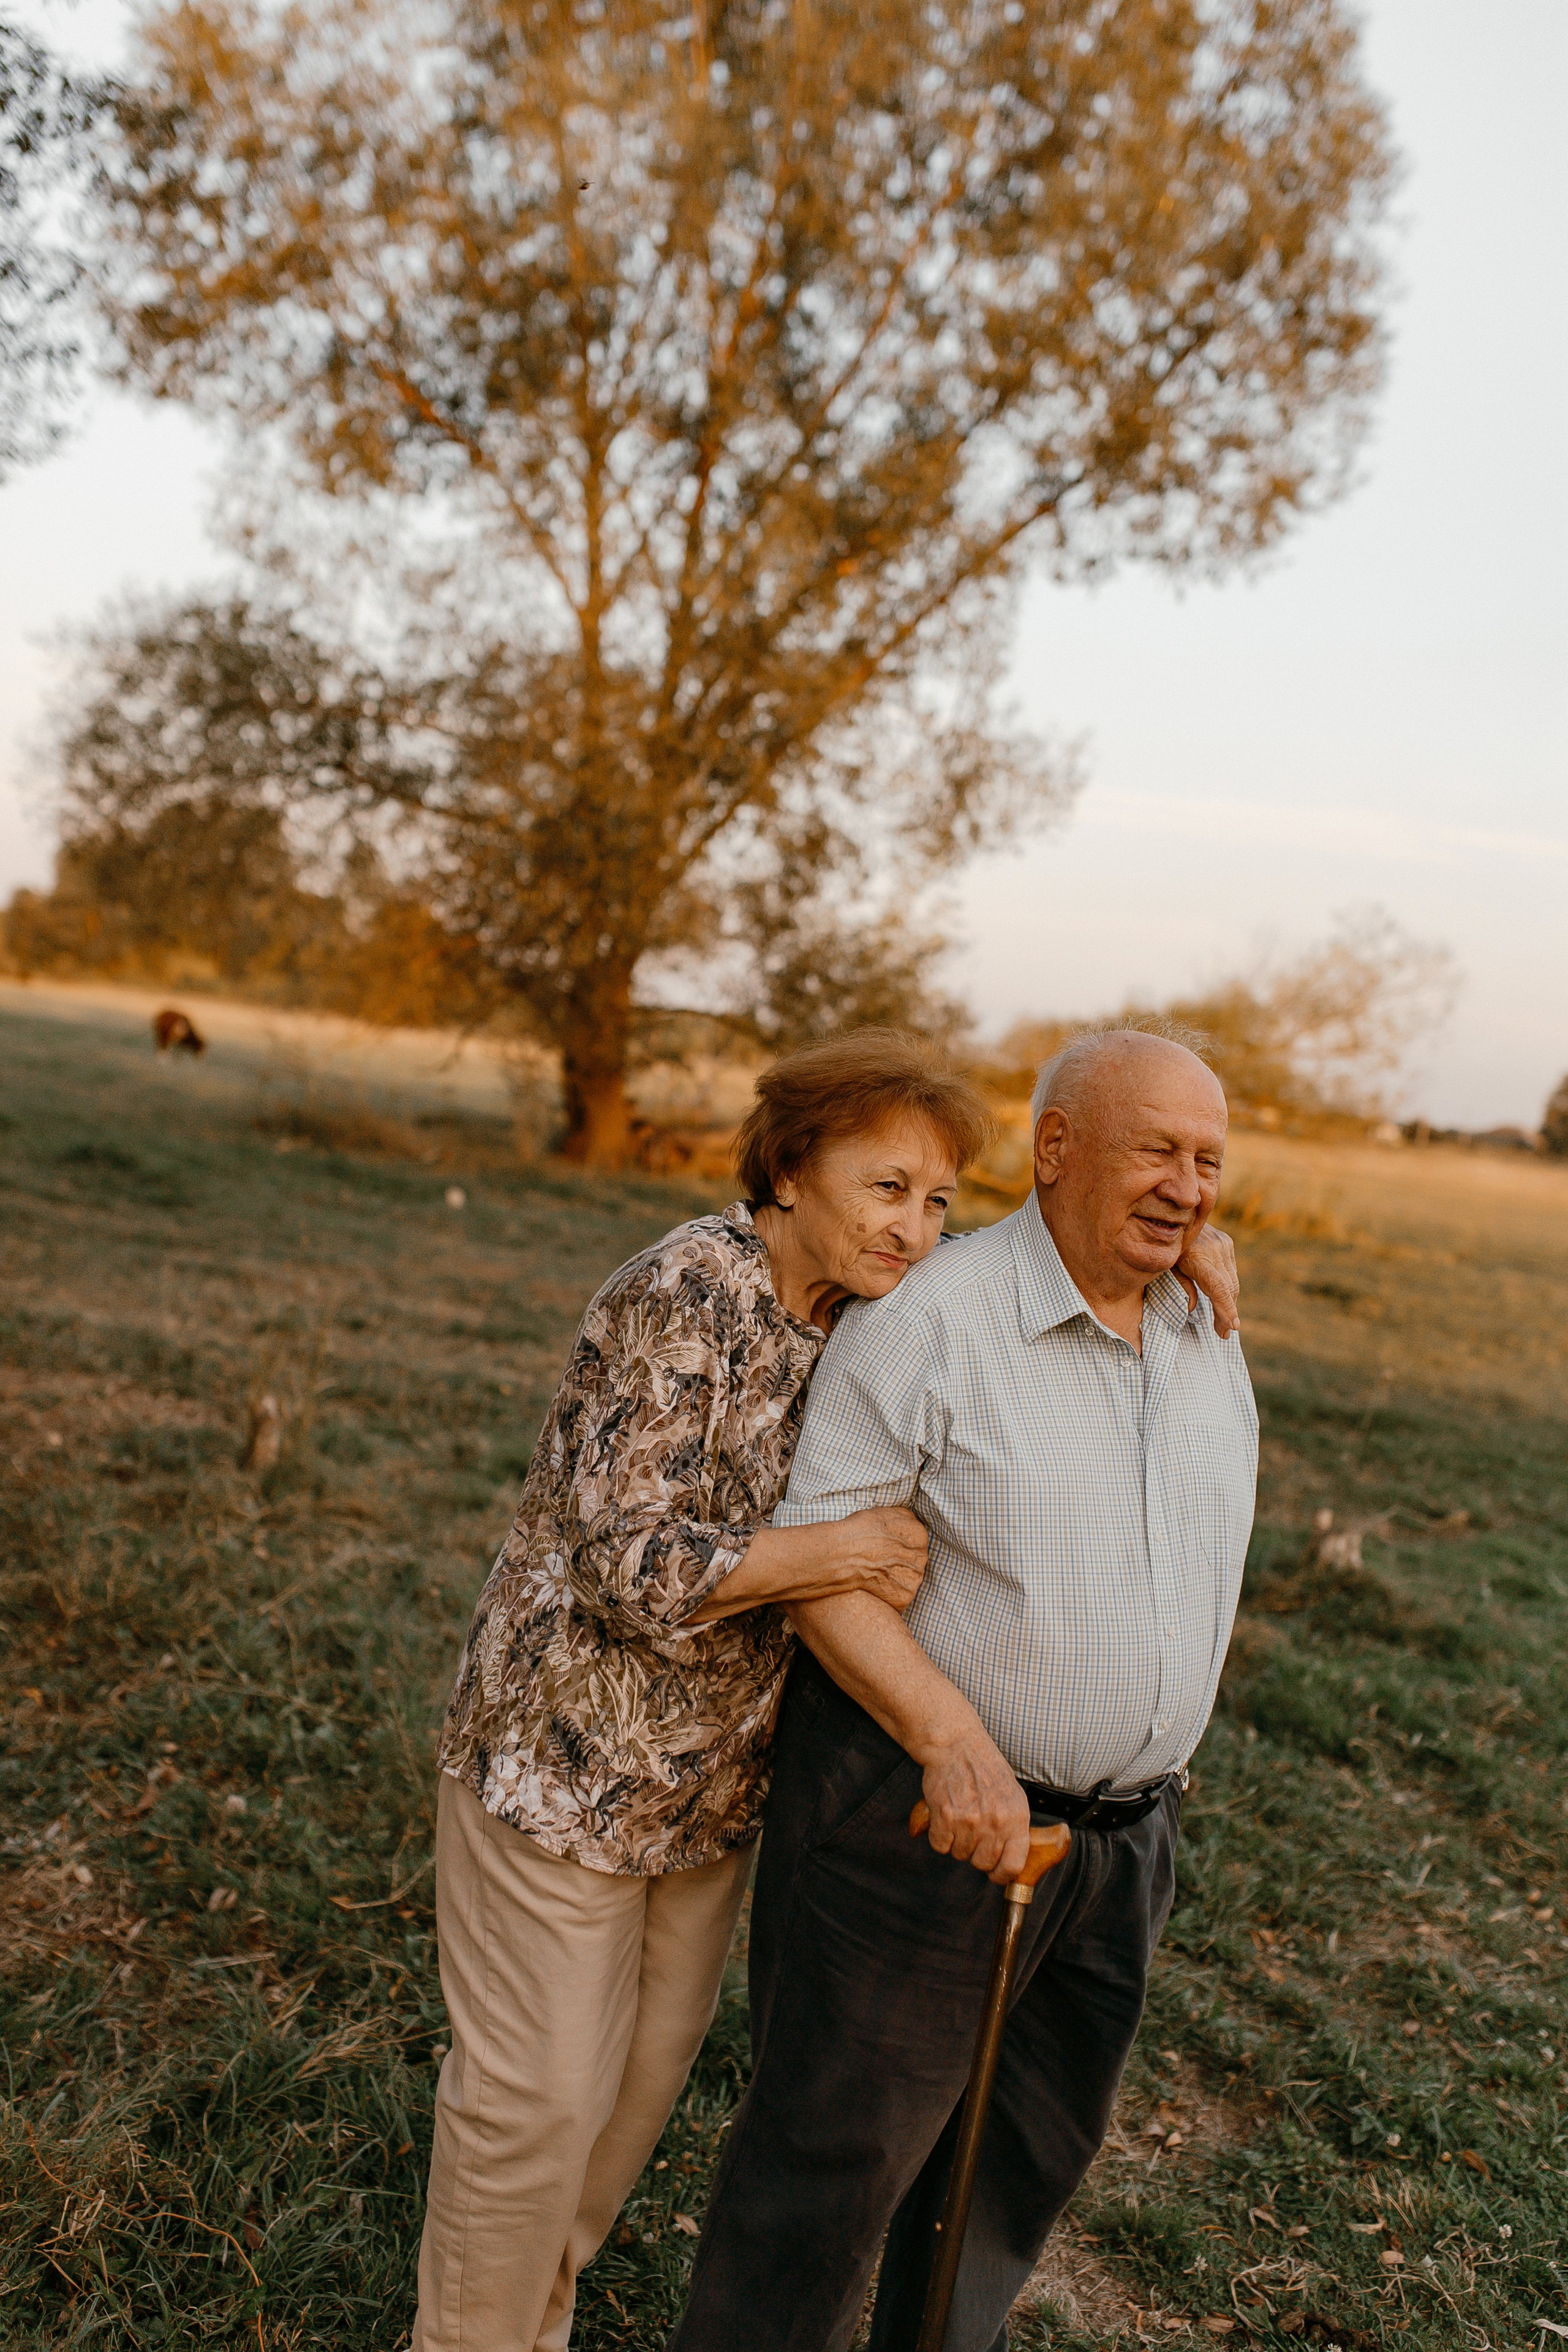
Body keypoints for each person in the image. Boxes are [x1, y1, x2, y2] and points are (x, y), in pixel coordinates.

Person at [669, 1027, 1259, 2352]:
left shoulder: (1202, 1318)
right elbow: (823, 1573)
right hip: (915, 1823)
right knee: (826, 2171)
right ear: (1056, 1150)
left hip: (1118, 1846)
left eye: (1207, 1161)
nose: (1185, 1187)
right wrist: (953, 1742)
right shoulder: (931, 1320)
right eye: (1155, 1150)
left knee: (1009, 2182)